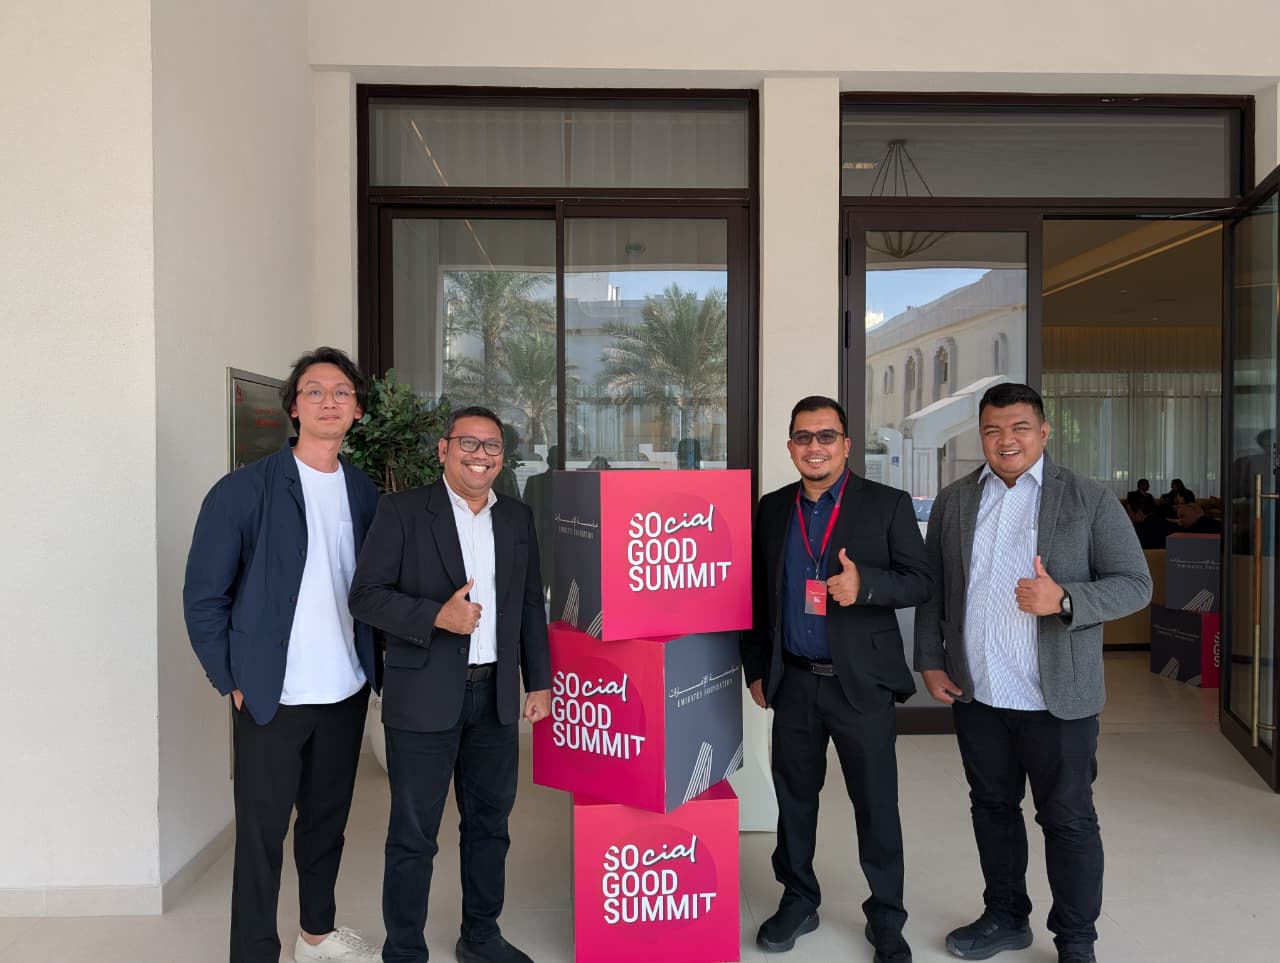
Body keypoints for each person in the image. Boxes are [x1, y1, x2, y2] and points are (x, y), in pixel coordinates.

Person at [914, 383, 1151, 963]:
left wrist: (1064, 599)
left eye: (1019, 427)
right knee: (992, 809)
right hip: (979, 694)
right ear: (981, 436)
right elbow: (934, 589)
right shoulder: (955, 501)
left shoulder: (1088, 498)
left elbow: (1135, 583)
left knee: (1067, 821)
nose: (1006, 440)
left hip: (1056, 699)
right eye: (993, 430)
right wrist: (931, 659)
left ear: (1044, 432)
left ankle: (1076, 940)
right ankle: (1005, 916)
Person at [183, 346, 381, 963]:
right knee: (261, 837)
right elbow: (203, 597)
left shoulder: (364, 493)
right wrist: (231, 679)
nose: (329, 402)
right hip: (272, 695)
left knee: (326, 827)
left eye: (342, 392)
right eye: (314, 391)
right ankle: (253, 952)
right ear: (294, 407)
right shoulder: (243, 491)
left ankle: (315, 936)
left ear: (357, 410)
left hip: (344, 690)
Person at [349, 405, 552, 963]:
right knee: (413, 834)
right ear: (443, 449)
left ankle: (481, 936)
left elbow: (528, 603)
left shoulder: (516, 518)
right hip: (423, 697)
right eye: (468, 443)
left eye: (492, 446)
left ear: (502, 458)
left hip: (496, 698)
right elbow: (365, 596)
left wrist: (539, 680)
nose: (480, 455)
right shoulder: (402, 511)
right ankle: (404, 949)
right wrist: (437, 616)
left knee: (490, 826)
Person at [740, 395, 933, 963]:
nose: (815, 446)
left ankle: (887, 916)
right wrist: (758, 668)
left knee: (875, 803)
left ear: (846, 445)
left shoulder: (887, 504)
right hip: (795, 681)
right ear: (790, 446)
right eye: (803, 437)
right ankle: (799, 898)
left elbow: (921, 581)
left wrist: (864, 586)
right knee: (795, 799)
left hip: (862, 684)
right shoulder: (773, 509)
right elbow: (754, 594)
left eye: (826, 436)